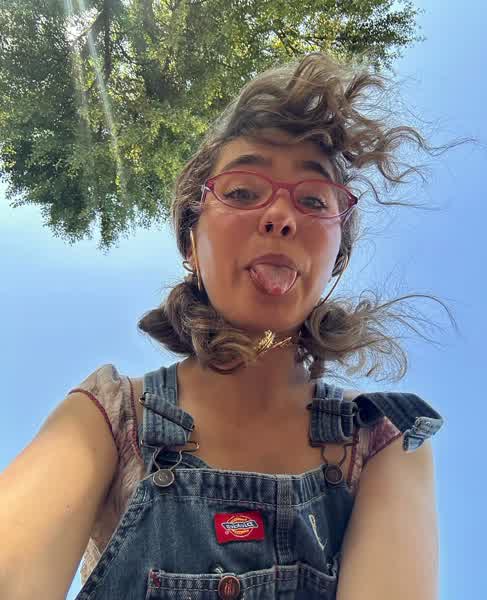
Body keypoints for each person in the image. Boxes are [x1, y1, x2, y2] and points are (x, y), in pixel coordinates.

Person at [0, 52, 444, 600]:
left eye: (313, 200)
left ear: (337, 259)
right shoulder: (108, 417)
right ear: (191, 243)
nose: (280, 216)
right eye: (241, 192)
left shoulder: (383, 439)